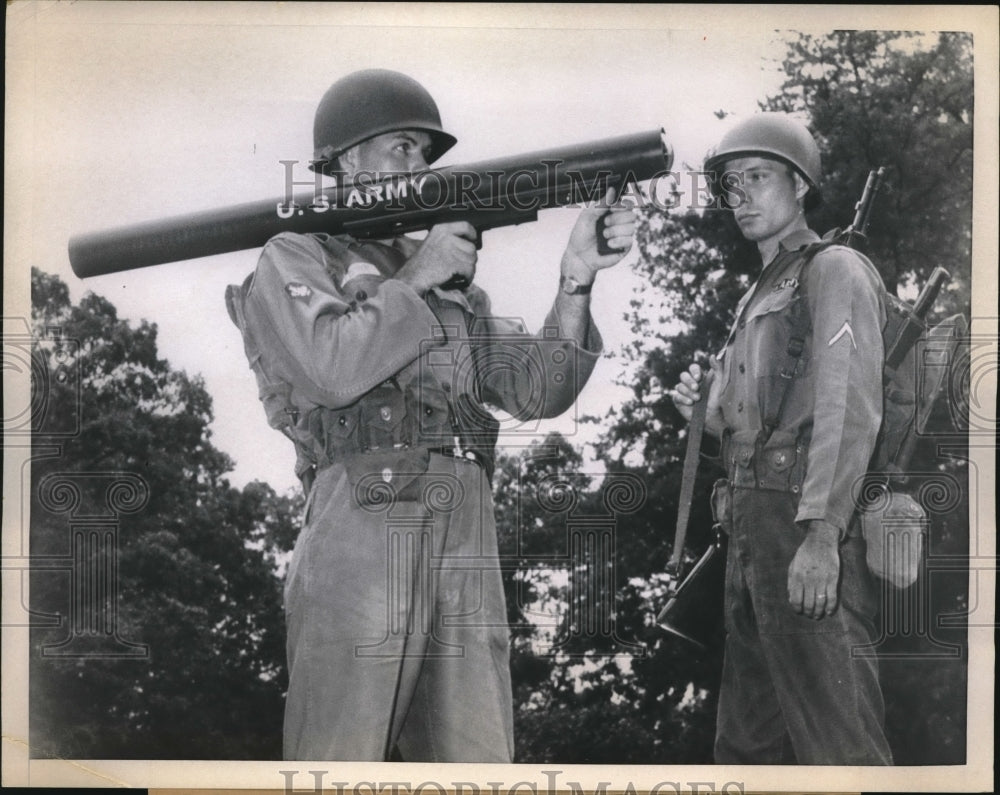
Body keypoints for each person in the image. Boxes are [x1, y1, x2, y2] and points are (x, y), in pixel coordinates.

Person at [226, 69, 636, 762]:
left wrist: (576, 277)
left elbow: (538, 389)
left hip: (464, 522)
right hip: (363, 512)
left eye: (424, 153)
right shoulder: (296, 254)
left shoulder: (449, 281)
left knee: (477, 760)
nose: (420, 167)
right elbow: (331, 368)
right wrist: (416, 277)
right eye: (402, 148)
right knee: (342, 756)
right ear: (347, 159)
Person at [671, 113, 893, 765]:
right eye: (730, 183)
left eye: (758, 176)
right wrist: (708, 416)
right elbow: (753, 425)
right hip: (747, 531)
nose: (739, 194)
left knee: (842, 747)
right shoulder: (757, 295)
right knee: (746, 751)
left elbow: (848, 405)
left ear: (799, 185)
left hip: (802, 522)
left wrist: (823, 534)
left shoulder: (835, 268)